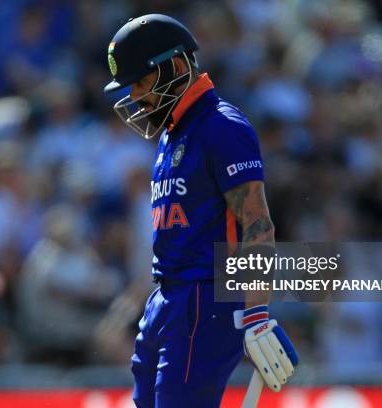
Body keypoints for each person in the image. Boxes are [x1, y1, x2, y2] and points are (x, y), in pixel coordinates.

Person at [103, 14, 298, 407]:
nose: (137, 96)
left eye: (141, 81)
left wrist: (256, 312)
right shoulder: (174, 132)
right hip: (167, 297)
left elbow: (257, 223)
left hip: (204, 300)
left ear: (174, 67)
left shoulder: (221, 126)